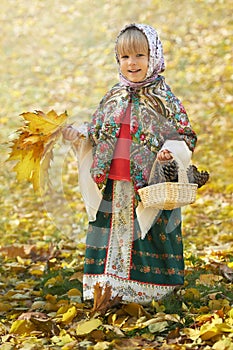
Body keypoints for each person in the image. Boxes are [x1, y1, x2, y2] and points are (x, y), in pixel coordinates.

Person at [63, 23, 197, 304]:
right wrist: (80, 136)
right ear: (117, 60)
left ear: (153, 57)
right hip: (114, 181)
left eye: (139, 55)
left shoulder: (164, 99)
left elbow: (184, 134)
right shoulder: (114, 96)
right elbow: (99, 132)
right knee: (109, 232)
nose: (132, 63)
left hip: (148, 185)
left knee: (149, 232)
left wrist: (169, 153)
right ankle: (107, 288)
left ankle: (150, 291)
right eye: (125, 57)